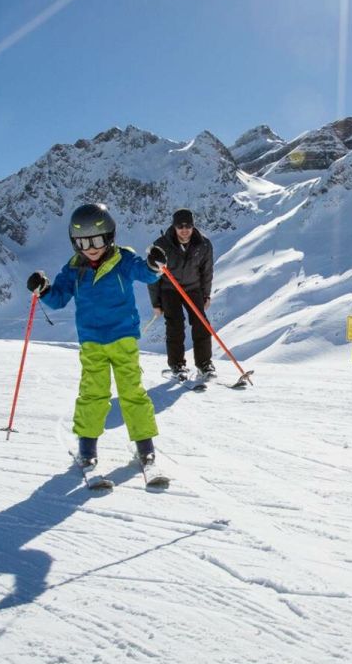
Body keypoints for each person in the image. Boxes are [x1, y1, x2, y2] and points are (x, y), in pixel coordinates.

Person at [27, 203, 169, 476]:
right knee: (93, 393)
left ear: (110, 236)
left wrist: (154, 264)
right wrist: (43, 289)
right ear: (74, 242)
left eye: (96, 240)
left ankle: (145, 445)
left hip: (123, 337)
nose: (90, 247)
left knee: (132, 392)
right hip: (92, 341)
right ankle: (87, 448)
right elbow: (57, 299)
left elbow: (146, 272)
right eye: (83, 242)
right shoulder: (73, 270)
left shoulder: (124, 260)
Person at [148, 208, 216, 379]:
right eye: (180, 226)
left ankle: (204, 364)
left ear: (193, 226)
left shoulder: (204, 244)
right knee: (175, 325)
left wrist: (206, 295)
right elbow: (153, 275)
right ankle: (177, 365)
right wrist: (156, 303)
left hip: (193, 287)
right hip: (170, 288)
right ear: (174, 227)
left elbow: (206, 271)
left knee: (201, 323)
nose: (184, 230)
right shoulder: (161, 245)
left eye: (188, 226)